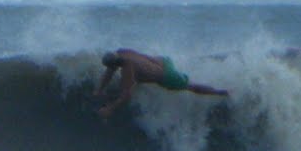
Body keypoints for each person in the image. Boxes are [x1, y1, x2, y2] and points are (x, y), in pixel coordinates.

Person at [95, 49, 228, 119]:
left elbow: (127, 95)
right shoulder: (122, 52)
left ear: (116, 64)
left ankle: (221, 92)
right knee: (134, 79)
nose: (110, 69)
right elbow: (110, 70)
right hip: (163, 61)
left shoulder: (128, 68)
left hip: (167, 75)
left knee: (191, 87)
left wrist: (110, 108)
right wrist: (100, 89)